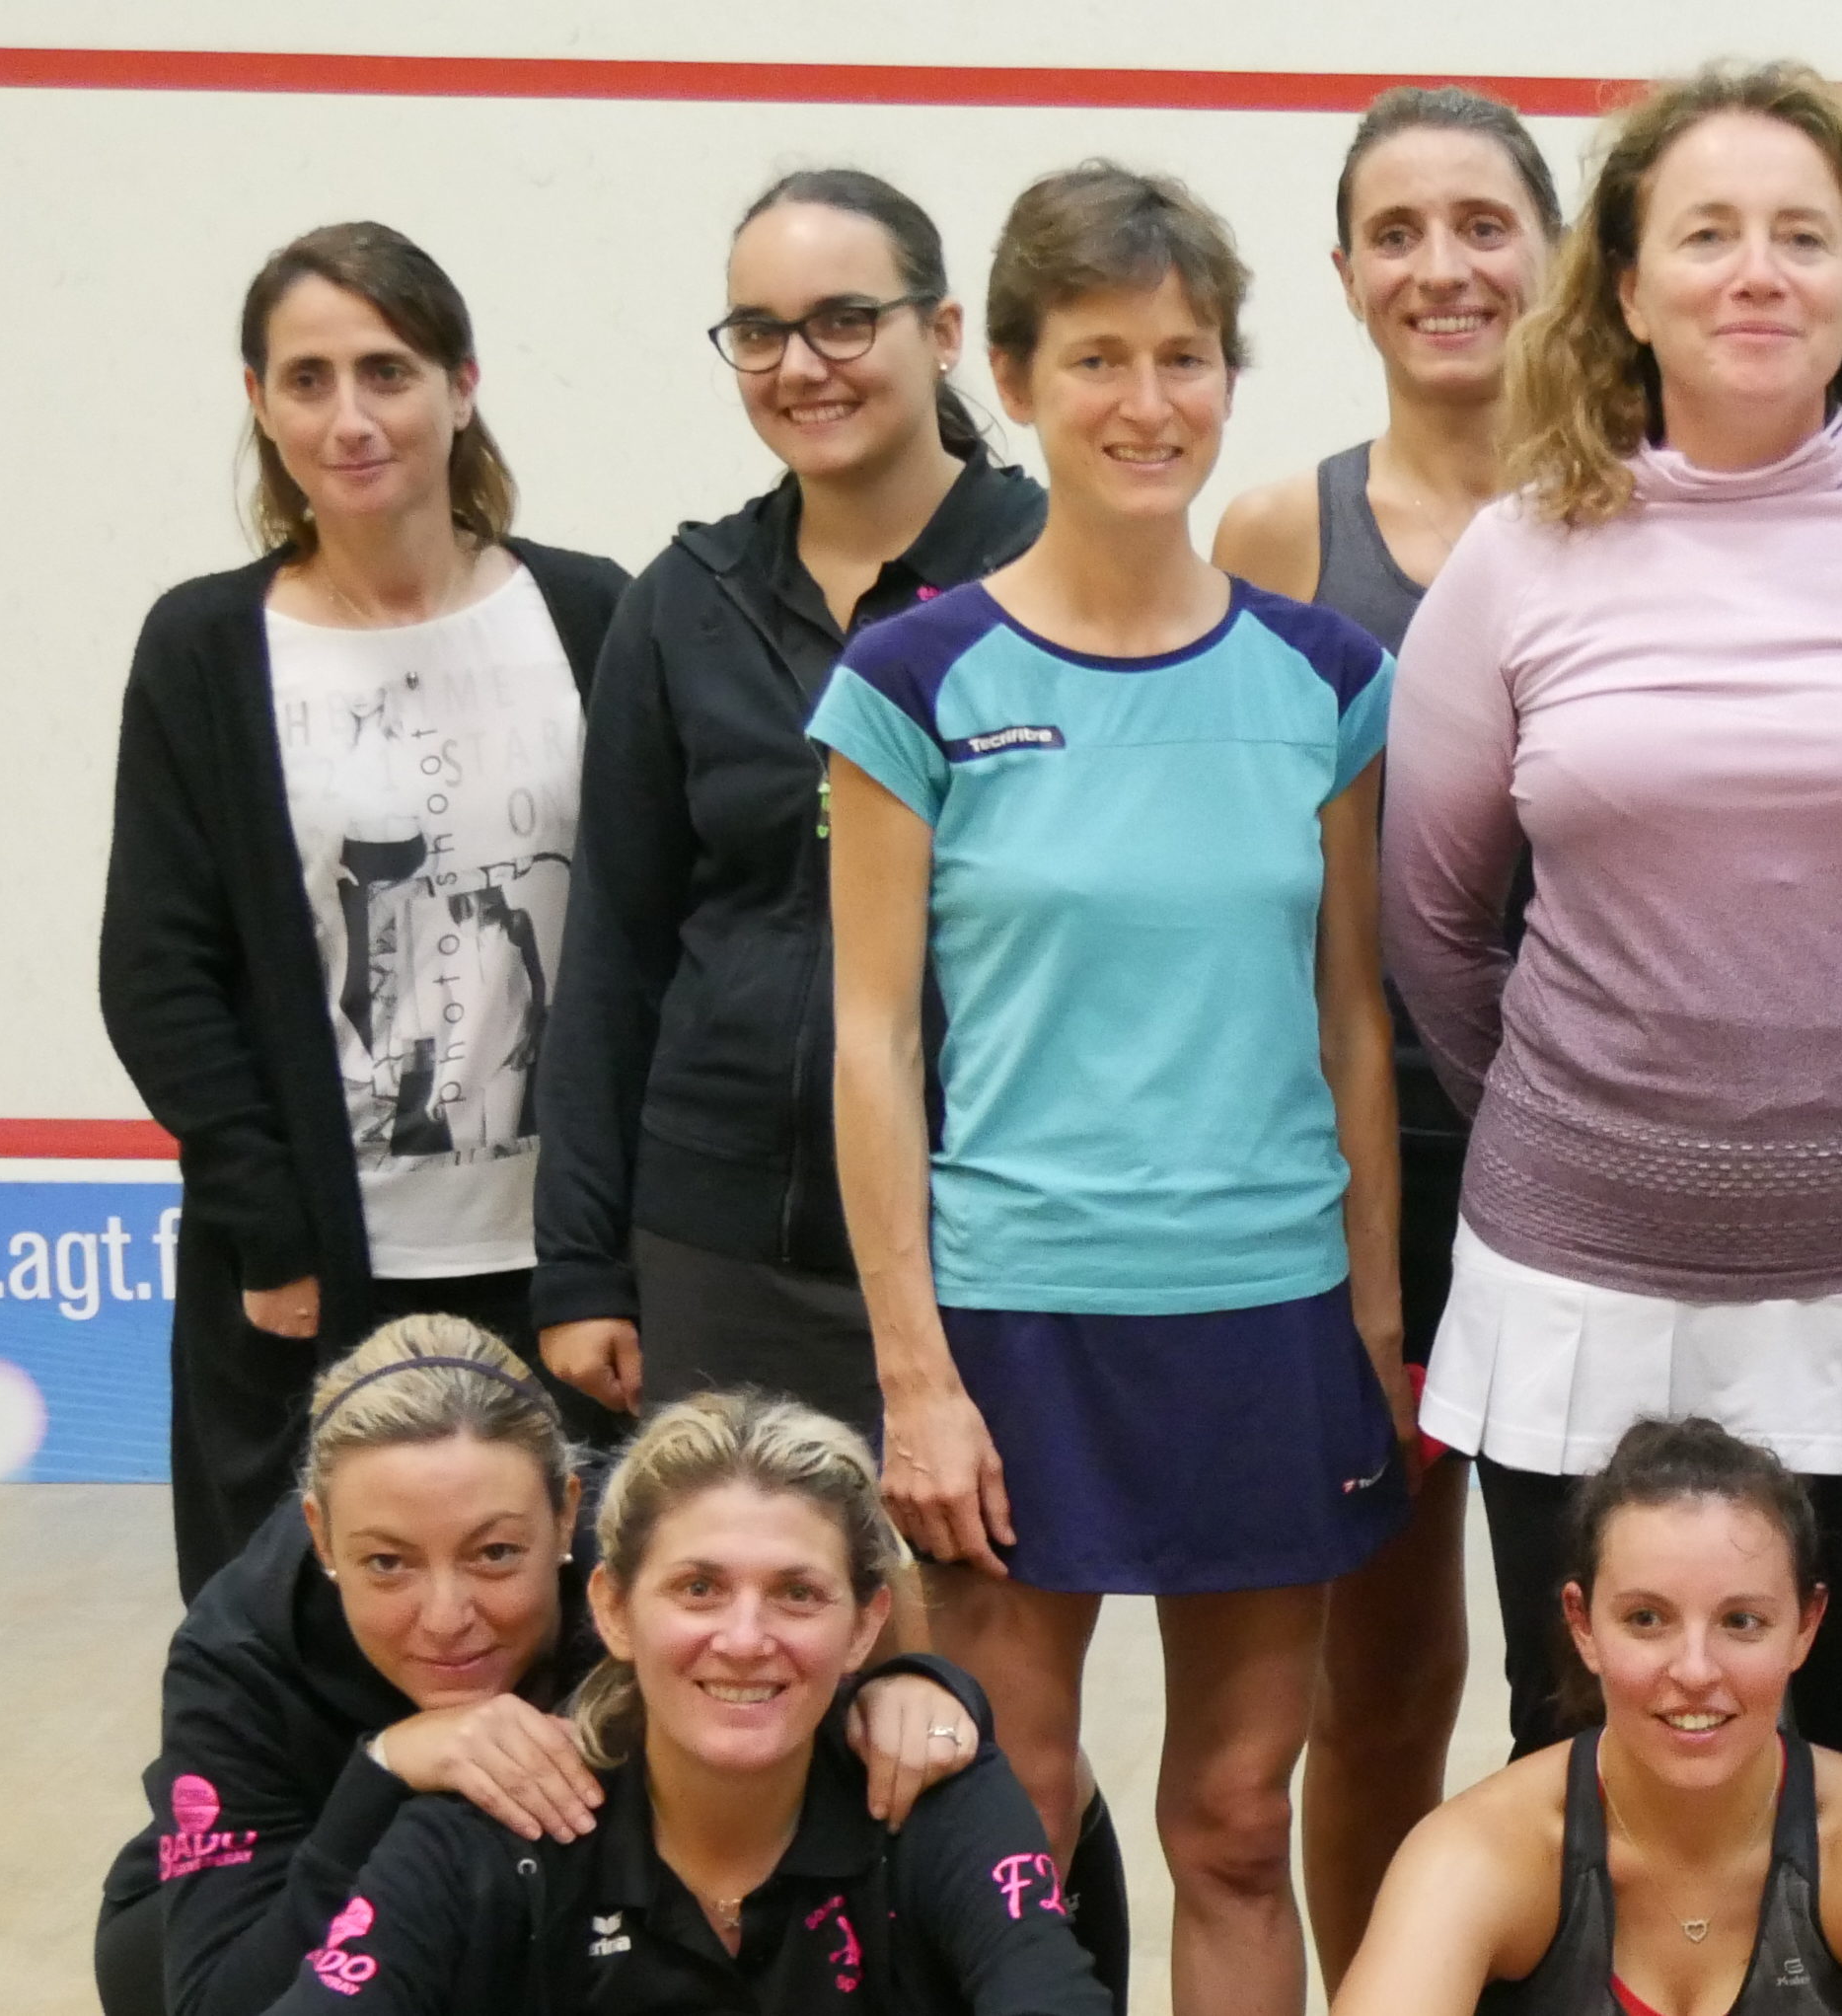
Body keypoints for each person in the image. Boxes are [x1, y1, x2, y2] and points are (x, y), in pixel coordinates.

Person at [1377, 58, 1842, 1881]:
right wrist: (1603, 1130)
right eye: (1707, 233)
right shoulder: (1515, 555)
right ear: (1625, 285)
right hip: (1581, 1292)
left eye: (1803, 234)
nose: (1757, 271)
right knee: (1582, 1780)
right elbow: (1438, 927)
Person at [814, 162, 1409, 2016]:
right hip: (1019, 1322)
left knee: (1232, 1819)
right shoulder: (912, 676)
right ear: (1009, 376)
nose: (1148, 402)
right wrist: (915, 1371)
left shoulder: (1327, 676)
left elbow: (1353, 1020)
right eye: (1096, 358)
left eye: (1185, 356)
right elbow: (871, 1039)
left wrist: (1374, 1324)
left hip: (1266, 1314)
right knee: (1016, 1814)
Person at [102, 221, 631, 1598]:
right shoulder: (205, 648)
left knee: (575, 1642)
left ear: (461, 386)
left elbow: (651, 935)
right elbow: (158, 970)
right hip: (316, 1276)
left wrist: (614, 1249)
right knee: (304, 1646)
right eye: (308, 379)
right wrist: (270, 1228)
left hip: (563, 1273)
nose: (351, 418)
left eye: (387, 371)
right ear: (260, 403)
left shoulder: (592, 616)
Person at [1207, 86, 1561, 1981]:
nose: (1445, 266)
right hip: (1369, 1180)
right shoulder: (1284, 527)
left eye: (1484, 223)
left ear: (1557, 256)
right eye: (1399, 232)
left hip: (1602, 1174)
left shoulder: (1645, 505)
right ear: (1343, 274)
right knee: (1387, 1678)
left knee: (1604, 1663)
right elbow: (1251, 873)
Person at [531, 170, 1048, 1441]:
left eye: (843, 321)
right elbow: (614, 949)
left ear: (941, 332)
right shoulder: (680, 603)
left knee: (973, 1584)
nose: (801, 366)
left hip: (1001, 1243)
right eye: (759, 333)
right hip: (718, 1253)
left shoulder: (1056, 576)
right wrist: (583, 1263)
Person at [95, 1318, 981, 2016]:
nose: (447, 1618)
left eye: (495, 1553)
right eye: (387, 1563)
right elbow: (218, 2001)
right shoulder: (238, 1649)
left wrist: (917, 1686)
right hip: (273, 1913)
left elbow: (844, 1598)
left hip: (546, 1923)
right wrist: (384, 1768)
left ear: (567, 1515)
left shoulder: (647, 1568)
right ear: (321, 1535)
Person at [261, 1388, 1113, 2014]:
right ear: (612, 1609)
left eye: (798, 1593)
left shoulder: (933, 1796)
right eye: (699, 1587)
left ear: (864, 1625)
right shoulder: (488, 1830)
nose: (744, 1637)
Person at [1333, 1416, 1842, 2016]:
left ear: (1805, 1626)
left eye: (1741, 1621)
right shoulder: (1473, 1858)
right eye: (1646, 1618)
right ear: (1582, 1624)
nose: (1694, 1670)